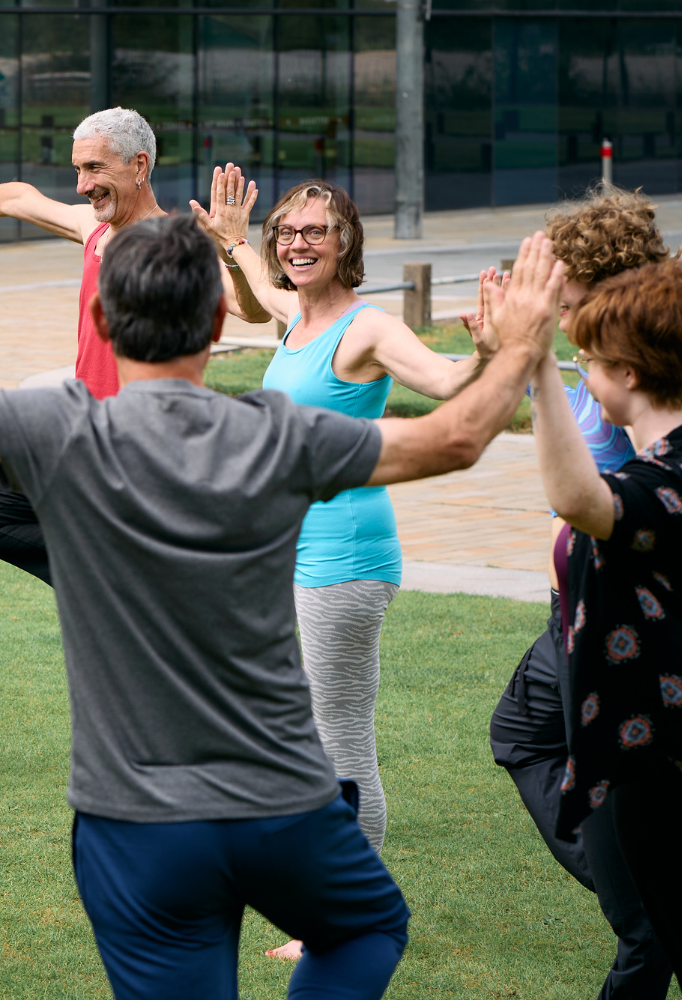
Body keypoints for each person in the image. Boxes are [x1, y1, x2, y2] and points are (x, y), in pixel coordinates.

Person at [0, 217, 564, 999]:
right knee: (367, 928)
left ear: (99, 319)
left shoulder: (49, 431)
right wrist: (521, 342)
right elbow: (458, 438)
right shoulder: (280, 436)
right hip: (282, 807)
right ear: (221, 319)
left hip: (136, 824)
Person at [191, 173, 499, 957]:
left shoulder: (367, 329)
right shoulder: (300, 315)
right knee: (302, 734)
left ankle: (345, 913)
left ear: (346, 243)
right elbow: (259, 294)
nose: (297, 242)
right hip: (293, 558)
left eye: (315, 232)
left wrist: (493, 351)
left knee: (341, 741)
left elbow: (442, 380)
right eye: (288, 231)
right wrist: (232, 241)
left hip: (347, 561)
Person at [524, 257, 682, 999]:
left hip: (676, 762)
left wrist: (535, 362)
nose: (583, 375)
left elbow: (576, 494)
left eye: (588, 362)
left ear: (628, 371)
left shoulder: (670, 484)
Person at [484, 187, 677, 1000]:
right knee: (518, 729)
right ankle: (655, 895)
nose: (558, 311)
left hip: (616, 633)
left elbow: (596, 487)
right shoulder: (611, 355)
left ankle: (655, 905)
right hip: (583, 613)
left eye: (565, 296)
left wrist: (526, 364)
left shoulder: (642, 365)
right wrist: (527, 367)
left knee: (648, 928)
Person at [0, 106, 269, 587]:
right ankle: (105, 566)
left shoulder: (174, 244)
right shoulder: (95, 228)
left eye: (94, 169)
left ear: (139, 166)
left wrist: (231, 249)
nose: (82, 185)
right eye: (78, 170)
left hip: (138, 453)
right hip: (85, 443)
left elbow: (253, 311)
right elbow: (19, 197)